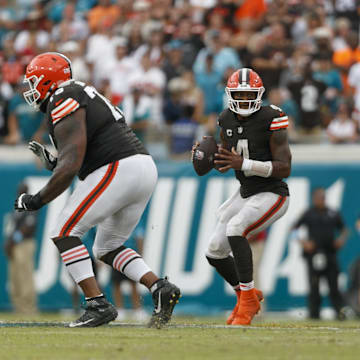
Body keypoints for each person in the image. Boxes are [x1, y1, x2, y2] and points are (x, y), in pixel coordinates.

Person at [14, 52, 180, 328]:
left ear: (48, 80)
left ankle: (97, 304)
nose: (30, 90)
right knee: (107, 247)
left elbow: (72, 166)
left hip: (119, 166)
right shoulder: (78, 92)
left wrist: (36, 199)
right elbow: (79, 157)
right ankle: (160, 287)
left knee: (64, 230)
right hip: (140, 166)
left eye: (33, 82)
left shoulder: (63, 95)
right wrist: (55, 162)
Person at [193, 68, 291, 325]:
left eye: (250, 94)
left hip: (272, 192)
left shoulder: (273, 117)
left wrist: (243, 163)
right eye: (240, 94)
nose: (245, 99)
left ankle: (247, 301)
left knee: (236, 228)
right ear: (230, 95)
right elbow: (226, 160)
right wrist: (209, 157)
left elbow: (285, 167)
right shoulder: (225, 118)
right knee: (214, 251)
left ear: (259, 94)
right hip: (246, 192)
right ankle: (246, 294)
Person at [293, 187, 348, 320]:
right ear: (313, 199)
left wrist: (340, 240)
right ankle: (314, 314)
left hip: (330, 254)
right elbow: (294, 230)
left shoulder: (333, 213)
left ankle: (340, 312)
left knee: (333, 285)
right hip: (314, 255)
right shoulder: (308, 213)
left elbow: (344, 230)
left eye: (322, 197)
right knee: (314, 285)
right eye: (318, 197)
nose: (320, 200)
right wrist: (304, 243)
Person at [3, 182, 37, 314]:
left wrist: (14, 240)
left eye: (23, 190)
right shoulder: (16, 208)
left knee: (25, 276)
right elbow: (12, 227)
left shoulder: (30, 206)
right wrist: (9, 243)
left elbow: (28, 226)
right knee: (15, 277)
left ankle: (29, 308)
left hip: (25, 244)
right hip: (14, 245)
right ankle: (18, 307)